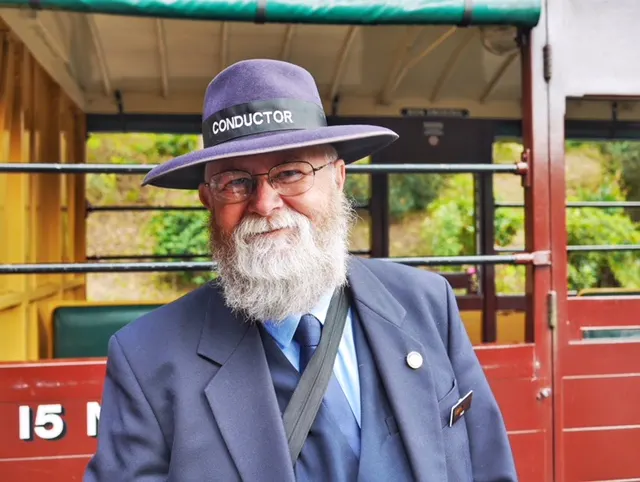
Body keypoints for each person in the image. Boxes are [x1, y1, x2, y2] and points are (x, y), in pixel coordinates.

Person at [84, 59, 517, 482]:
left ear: (339, 178)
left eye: (291, 173)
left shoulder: (425, 303)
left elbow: (486, 464)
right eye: (236, 182)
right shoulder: (147, 358)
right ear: (208, 200)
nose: (265, 203)